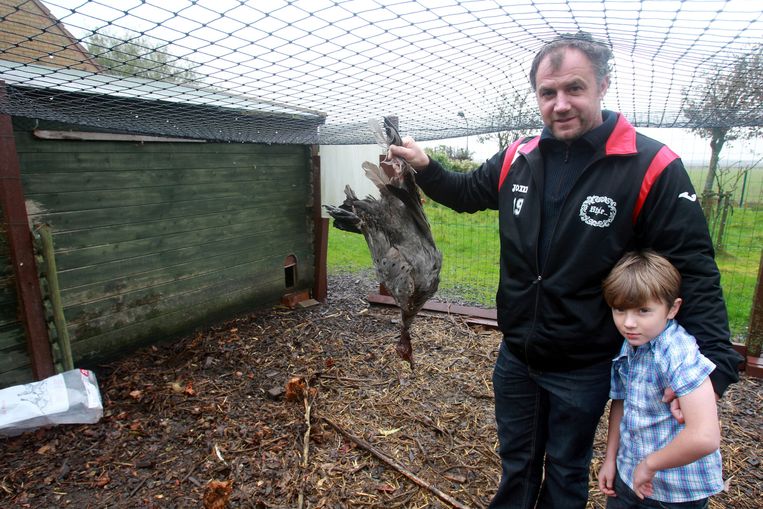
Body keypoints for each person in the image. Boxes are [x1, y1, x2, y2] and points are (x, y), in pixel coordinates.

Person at [388, 31, 743, 508]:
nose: (560, 104)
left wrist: (714, 370)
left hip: (586, 363)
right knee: (516, 463)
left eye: (574, 88)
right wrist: (426, 166)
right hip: (517, 356)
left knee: (566, 471)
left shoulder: (650, 165)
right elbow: (466, 192)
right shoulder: (520, 155)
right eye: (547, 92)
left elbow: (695, 269)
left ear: (603, 85)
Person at [597, 250, 723, 508]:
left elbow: (705, 436)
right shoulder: (631, 342)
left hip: (676, 491)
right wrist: (611, 459)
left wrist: (650, 464)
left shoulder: (677, 352)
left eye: (643, 310)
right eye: (619, 309)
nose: (628, 323)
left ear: (672, 308)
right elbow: (621, 402)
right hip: (628, 474)